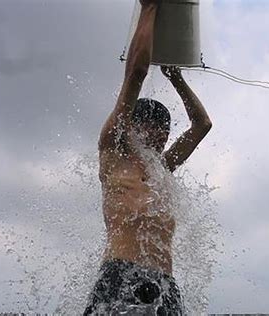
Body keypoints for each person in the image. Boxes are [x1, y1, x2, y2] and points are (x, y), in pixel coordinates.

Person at [83, 0, 212, 314]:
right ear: (131, 126)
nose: (162, 135)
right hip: (120, 274)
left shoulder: (163, 168)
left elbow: (202, 125)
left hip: (165, 281)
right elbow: (136, 74)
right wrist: (150, 8)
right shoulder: (112, 151)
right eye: (153, 126)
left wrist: (175, 77)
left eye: (165, 129)